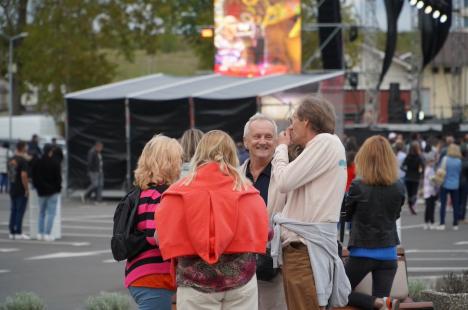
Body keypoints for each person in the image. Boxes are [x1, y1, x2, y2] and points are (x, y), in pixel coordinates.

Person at [155, 130, 269, 310]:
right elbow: (265, 232)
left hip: (195, 284)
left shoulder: (177, 193)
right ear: (232, 154)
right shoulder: (249, 193)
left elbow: (160, 236)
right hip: (241, 281)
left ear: (199, 154)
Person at [270, 97, 351, 309]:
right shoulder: (328, 146)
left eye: (293, 119)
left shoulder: (325, 141)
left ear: (306, 121)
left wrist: (280, 149)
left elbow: (284, 181)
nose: (289, 126)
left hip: (304, 248)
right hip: (307, 247)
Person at [344, 136, 405, 310]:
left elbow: (347, 215)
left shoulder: (358, 185)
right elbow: (395, 215)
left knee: (338, 291)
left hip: (362, 251)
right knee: (383, 302)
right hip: (388, 253)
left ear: (364, 157)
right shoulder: (399, 186)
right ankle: (381, 301)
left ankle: (374, 302)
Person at [125, 135, 183, 310]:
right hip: (153, 277)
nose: (181, 164)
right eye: (178, 159)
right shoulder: (158, 196)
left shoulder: (144, 192)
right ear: (167, 162)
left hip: (143, 275)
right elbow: (156, 237)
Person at [240, 113, 287, 310]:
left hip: (276, 269)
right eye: (257, 136)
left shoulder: (287, 176)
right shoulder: (235, 177)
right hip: (240, 271)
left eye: (268, 137)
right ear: (245, 142)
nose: (262, 142)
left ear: (276, 142)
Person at [31, 144, 62, 241]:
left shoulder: (37, 162)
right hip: (53, 191)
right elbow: (58, 178)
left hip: (41, 191)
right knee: (51, 214)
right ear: (50, 151)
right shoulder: (55, 162)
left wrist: (37, 187)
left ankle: (40, 233)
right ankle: (47, 233)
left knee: (41, 213)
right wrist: (58, 189)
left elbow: (34, 176)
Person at [7, 141, 30, 240]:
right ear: (23, 148)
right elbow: (24, 175)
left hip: (12, 187)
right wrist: (26, 189)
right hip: (20, 188)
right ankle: (18, 232)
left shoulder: (11, 159)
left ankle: (12, 231)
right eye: (26, 146)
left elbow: (10, 174)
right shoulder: (23, 161)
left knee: (13, 210)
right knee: (20, 211)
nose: (27, 148)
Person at [438, 143, 462, 230]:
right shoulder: (459, 161)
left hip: (445, 183)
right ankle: (455, 224)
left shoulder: (445, 159)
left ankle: (442, 223)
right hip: (455, 184)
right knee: (455, 205)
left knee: (443, 204)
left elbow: (440, 170)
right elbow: (459, 173)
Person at [401, 142, 424, 215]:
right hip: (416, 177)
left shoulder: (408, 157)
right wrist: (420, 173)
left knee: (410, 193)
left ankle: (410, 205)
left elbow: (402, 166)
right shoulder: (419, 157)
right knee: (414, 193)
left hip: (408, 176)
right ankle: (412, 203)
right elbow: (422, 167)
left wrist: (406, 170)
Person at [423, 155, 438, 230]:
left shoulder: (429, 169)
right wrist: (436, 181)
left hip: (429, 191)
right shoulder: (429, 170)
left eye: (433, 161)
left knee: (430, 207)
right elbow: (431, 180)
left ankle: (428, 222)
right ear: (428, 162)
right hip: (429, 190)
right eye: (431, 161)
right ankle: (430, 222)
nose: (432, 162)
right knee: (430, 207)